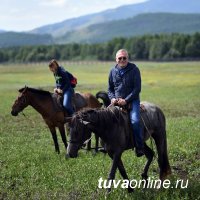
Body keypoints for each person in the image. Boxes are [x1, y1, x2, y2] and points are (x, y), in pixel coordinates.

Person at [108, 49, 144, 157]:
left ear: (128, 58)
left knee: (135, 122)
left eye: (124, 58)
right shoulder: (112, 71)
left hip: (132, 101)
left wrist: (126, 100)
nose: (122, 60)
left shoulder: (134, 69)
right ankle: (108, 145)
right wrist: (112, 98)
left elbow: (137, 88)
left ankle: (139, 147)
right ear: (116, 59)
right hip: (117, 102)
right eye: (120, 58)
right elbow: (110, 89)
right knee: (105, 119)